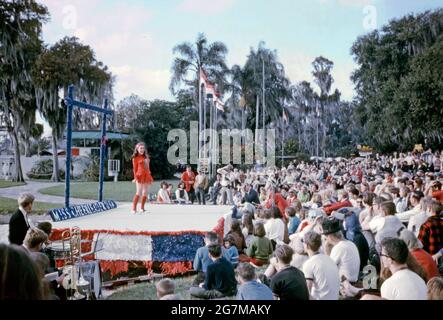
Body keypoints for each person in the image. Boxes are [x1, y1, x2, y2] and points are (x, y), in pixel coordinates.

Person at [362, 238, 427, 300]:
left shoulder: (389, 285)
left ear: (390, 260)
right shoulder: (419, 279)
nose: (380, 257)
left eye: (381, 254)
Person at [302, 231, 340, 300]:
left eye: (303, 242)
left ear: (307, 245)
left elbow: (306, 294)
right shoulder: (329, 259)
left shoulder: (309, 264)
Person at [322, 217, 361, 283]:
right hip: (353, 281)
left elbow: (327, 269)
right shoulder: (350, 243)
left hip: (346, 285)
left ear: (330, 236)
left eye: (326, 237)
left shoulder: (339, 248)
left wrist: (326, 249)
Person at [131, 142, 153, 214]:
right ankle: (134, 208)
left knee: (145, 192)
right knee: (139, 192)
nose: (142, 150)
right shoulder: (135, 158)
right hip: (139, 176)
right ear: (137, 149)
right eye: (140, 148)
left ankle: (142, 208)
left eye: (143, 148)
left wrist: (149, 173)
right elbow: (134, 169)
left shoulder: (146, 157)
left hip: (146, 175)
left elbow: (148, 168)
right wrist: (135, 178)